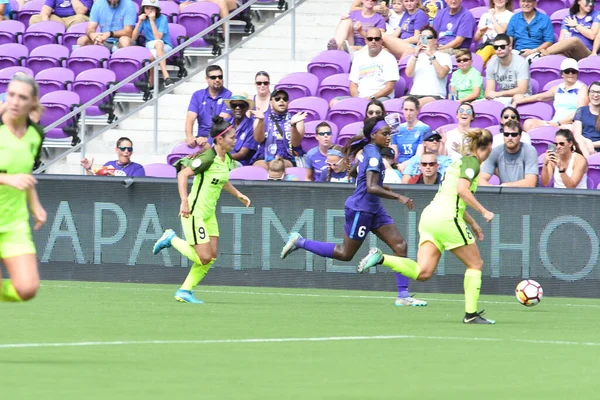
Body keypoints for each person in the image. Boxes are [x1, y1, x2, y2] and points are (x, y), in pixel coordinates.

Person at [280, 117, 427, 307]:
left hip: (373, 208)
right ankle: (299, 241)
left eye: (389, 133)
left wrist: (382, 186)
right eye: (384, 133)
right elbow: (371, 187)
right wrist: (399, 197)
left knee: (400, 246)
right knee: (345, 254)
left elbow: (366, 178)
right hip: (361, 209)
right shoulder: (373, 155)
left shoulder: (368, 149)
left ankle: (403, 295)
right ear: (374, 135)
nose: (388, 137)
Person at [358, 128, 496, 324]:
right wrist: (484, 212)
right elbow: (462, 191)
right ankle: (471, 314)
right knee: (475, 264)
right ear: (490, 147)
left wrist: (473, 223)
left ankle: (382, 258)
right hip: (447, 219)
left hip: (430, 217)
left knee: (423, 272)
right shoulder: (472, 162)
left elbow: (454, 196)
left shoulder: (460, 163)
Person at [153, 116, 251, 304]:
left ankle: (184, 291)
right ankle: (171, 238)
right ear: (220, 139)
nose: (235, 140)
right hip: (194, 213)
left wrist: (238, 194)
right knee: (204, 257)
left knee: (211, 257)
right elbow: (183, 174)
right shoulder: (208, 157)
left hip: (208, 214)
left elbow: (221, 180)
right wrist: (184, 202)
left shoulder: (226, 159)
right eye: (232, 137)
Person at [0, 74, 47, 303]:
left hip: (13, 224)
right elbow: (15, 177)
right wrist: (7, 179)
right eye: (11, 95)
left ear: (33, 103)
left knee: (27, 289)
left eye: (22, 97)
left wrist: (35, 204)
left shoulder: (36, 135)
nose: (15, 102)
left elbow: (25, 174)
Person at [513, 58, 589, 131]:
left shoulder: (582, 88)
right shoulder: (558, 88)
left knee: (568, 130)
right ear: (562, 74)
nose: (570, 74)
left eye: (573, 71)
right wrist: (518, 101)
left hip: (570, 124)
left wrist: (559, 123)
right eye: (567, 71)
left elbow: (580, 112)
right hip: (555, 122)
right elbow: (539, 97)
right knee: (529, 124)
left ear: (577, 73)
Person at [333, 27, 398, 106]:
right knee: (334, 102)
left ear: (381, 41)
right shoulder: (359, 58)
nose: (373, 41)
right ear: (366, 41)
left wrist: (372, 98)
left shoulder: (389, 58)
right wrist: (357, 99)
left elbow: (389, 88)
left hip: (380, 98)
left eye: (376, 39)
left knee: (373, 106)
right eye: (370, 39)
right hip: (360, 97)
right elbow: (353, 84)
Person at [252, 89, 307, 169]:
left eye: (285, 99)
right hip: (265, 155)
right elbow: (258, 139)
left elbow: (295, 143)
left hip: (288, 156)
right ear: (271, 102)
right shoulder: (262, 117)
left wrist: (293, 125)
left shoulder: (296, 119)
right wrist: (261, 121)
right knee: (257, 167)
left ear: (287, 103)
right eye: (277, 98)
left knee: (280, 166)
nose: (281, 101)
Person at [478, 119, 538, 186]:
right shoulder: (495, 152)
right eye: (506, 134)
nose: (510, 137)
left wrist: (505, 186)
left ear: (520, 136)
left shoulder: (529, 151)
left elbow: (531, 183)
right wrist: (492, 188)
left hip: (526, 195)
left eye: (514, 135)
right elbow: (480, 179)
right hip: (504, 194)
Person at [186, 65, 232, 148]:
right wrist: (189, 137)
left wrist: (208, 139)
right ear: (207, 79)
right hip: (200, 139)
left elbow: (220, 123)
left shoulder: (229, 96)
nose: (217, 80)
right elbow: (190, 118)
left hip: (219, 140)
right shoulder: (197, 95)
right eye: (213, 77)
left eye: (220, 77)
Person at [406, 25, 453, 106]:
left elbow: (441, 74)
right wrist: (415, 56)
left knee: (414, 105)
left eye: (428, 37)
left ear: (435, 40)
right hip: (414, 94)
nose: (425, 40)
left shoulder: (444, 56)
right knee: (398, 103)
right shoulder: (414, 57)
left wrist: (431, 56)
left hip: (435, 95)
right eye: (422, 37)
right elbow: (408, 74)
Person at [132, 0, 174, 89]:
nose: (150, 11)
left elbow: (158, 37)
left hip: (165, 46)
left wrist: (152, 21)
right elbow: (133, 38)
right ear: (143, 9)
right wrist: (139, 22)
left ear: (156, 10)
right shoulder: (143, 20)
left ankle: (151, 83)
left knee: (156, 49)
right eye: (147, 8)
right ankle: (166, 77)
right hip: (150, 45)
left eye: (152, 9)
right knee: (156, 47)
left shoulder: (162, 18)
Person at [484, 33, 530, 106]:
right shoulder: (491, 63)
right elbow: (488, 91)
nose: (499, 49)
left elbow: (522, 90)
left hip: (521, 96)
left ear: (510, 46)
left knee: (518, 97)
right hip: (501, 97)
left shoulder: (521, 62)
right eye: (496, 47)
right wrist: (491, 94)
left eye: (502, 46)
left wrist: (498, 94)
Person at [390, 96, 429, 171]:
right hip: (399, 165)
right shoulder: (397, 128)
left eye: (411, 110)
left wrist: (403, 165)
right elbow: (393, 153)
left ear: (417, 111)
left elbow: (418, 156)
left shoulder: (424, 128)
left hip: (415, 166)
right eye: (406, 109)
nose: (408, 113)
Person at [224, 91, 258, 167]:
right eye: (234, 105)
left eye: (241, 105)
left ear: (247, 107)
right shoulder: (225, 123)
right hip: (222, 160)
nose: (237, 108)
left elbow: (242, 154)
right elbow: (213, 144)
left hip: (241, 165)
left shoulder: (252, 126)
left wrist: (221, 157)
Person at [80, 137, 146, 176]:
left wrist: (115, 179)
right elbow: (95, 185)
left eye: (129, 149)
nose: (126, 151)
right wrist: (88, 169)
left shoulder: (138, 168)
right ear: (116, 150)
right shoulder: (109, 164)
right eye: (123, 148)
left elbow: (136, 190)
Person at [474, 0, 514, 64]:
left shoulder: (510, 15)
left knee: (488, 49)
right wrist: (480, 33)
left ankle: (474, 69)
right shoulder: (485, 15)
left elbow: (501, 32)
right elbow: (476, 38)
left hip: (500, 47)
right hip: (484, 47)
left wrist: (492, 17)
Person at [573, 81, 600, 156]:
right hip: (582, 148)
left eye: (598, 92)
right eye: (592, 92)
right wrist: (587, 142)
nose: (595, 95)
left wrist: (591, 145)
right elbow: (577, 135)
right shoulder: (581, 110)